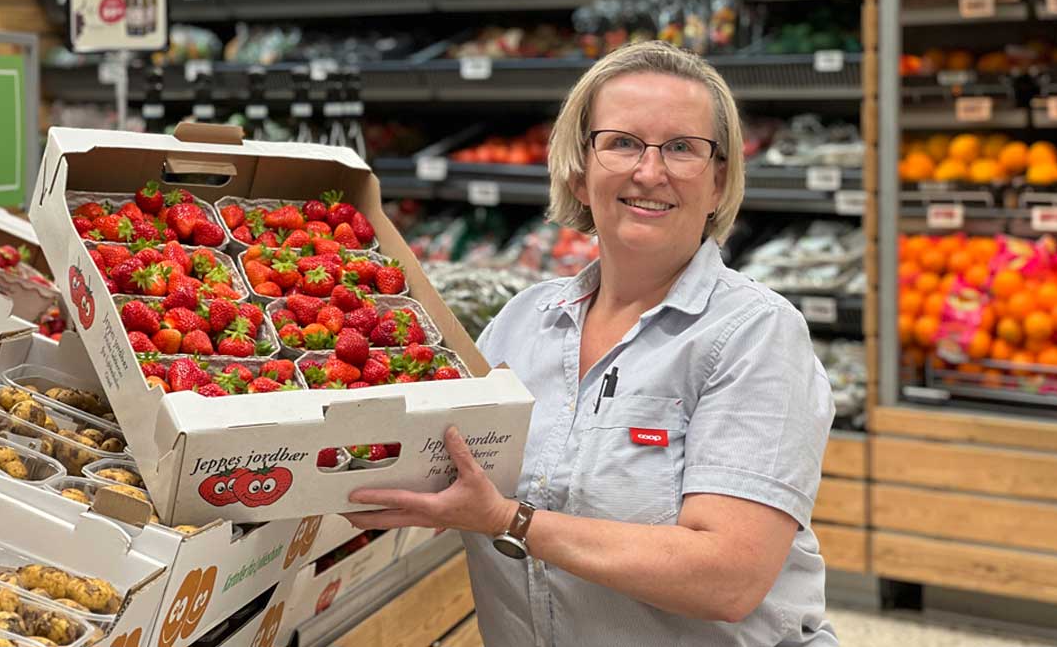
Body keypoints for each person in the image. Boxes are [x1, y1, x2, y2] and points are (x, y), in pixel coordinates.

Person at [345, 40, 838, 646]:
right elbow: (440, 473)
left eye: (682, 148)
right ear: (579, 171)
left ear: (718, 182)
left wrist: (509, 521)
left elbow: (728, 578)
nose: (649, 171)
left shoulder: (755, 336)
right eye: (622, 142)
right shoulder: (520, 325)